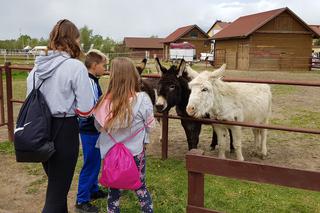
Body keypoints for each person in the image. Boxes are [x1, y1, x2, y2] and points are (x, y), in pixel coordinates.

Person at [26, 19, 94, 213]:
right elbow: (86, 110)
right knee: (56, 196)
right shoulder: (75, 67)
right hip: (64, 130)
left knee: (57, 189)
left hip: (39, 130)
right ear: (72, 40)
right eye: (78, 39)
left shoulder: (35, 69)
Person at [94, 57, 155, 213]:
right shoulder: (143, 100)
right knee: (140, 187)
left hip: (110, 154)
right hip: (135, 152)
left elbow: (98, 126)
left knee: (113, 190)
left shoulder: (103, 102)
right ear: (133, 75)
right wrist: (145, 138)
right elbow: (150, 125)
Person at [75, 49, 108, 213]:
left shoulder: (94, 80)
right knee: (91, 163)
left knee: (95, 161)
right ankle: (81, 200)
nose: (105, 68)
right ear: (94, 65)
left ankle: (93, 190)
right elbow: (90, 106)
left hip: (93, 128)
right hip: (89, 129)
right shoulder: (88, 82)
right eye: (103, 65)